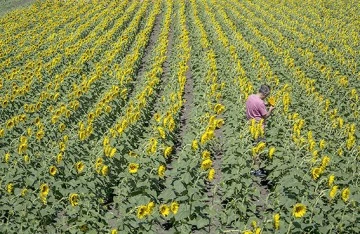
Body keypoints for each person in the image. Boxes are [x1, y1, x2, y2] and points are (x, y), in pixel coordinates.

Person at [246, 84, 275, 177]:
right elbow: (265, 115)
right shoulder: (260, 103)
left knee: (253, 146)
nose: (267, 97)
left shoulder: (250, 97)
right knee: (258, 149)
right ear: (265, 93)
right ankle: (257, 170)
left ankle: (251, 167)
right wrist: (271, 109)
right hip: (259, 128)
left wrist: (266, 104)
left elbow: (258, 104)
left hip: (251, 125)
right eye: (267, 95)